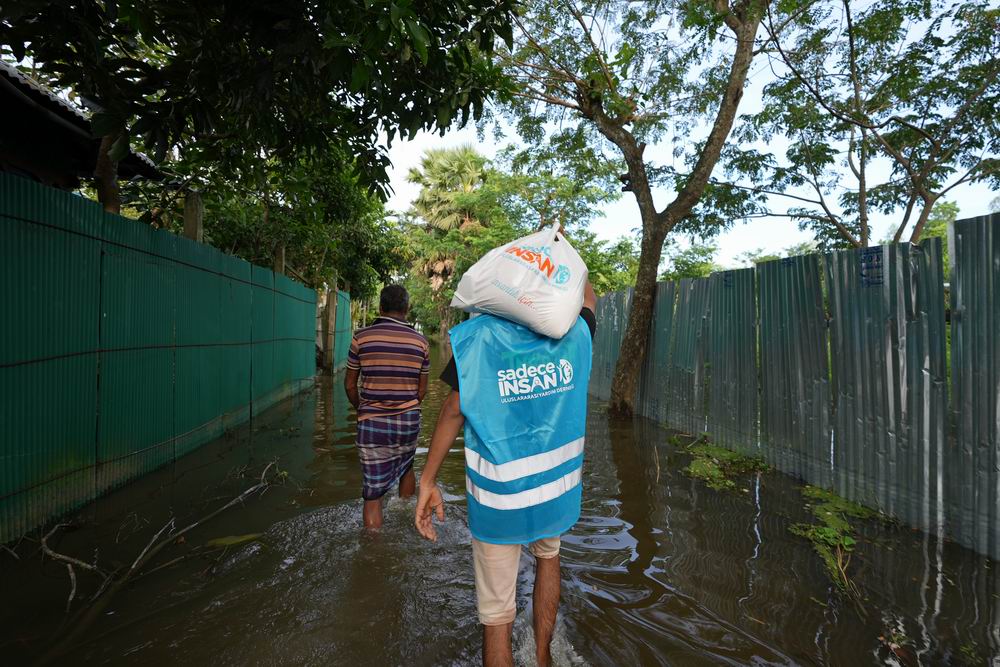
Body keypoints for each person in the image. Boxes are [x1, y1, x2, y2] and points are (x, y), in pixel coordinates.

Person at [415, 273, 598, 667]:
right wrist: (561, 254)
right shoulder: (574, 335)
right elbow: (588, 299)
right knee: (549, 559)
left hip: (498, 499)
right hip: (554, 492)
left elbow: (452, 410)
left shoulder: (479, 338)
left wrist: (428, 481)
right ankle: (543, 656)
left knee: (497, 616)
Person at [344, 284, 430, 529]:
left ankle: (374, 551)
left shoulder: (361, 338)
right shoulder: (421, 343)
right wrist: (405, 406)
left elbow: (349, 385)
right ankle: (407, 519)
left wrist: (363, 409)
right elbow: (421, 391)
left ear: (381, 307)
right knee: (407, 466)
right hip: (408, 421)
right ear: (407, 308)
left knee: (373, 492)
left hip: (372, 423)